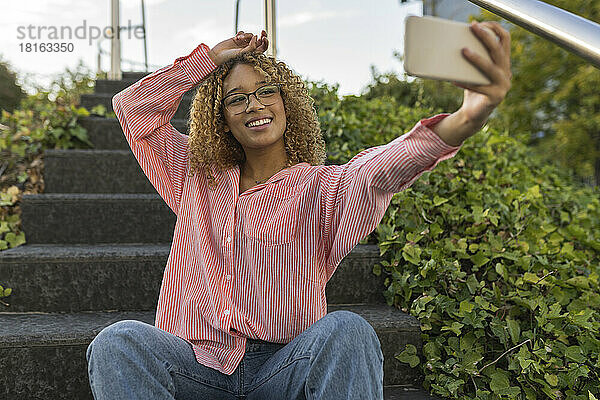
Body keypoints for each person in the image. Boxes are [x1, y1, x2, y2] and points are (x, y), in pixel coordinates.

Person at [86, 24, 512, 400]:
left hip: (284, 368)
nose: (254, 105)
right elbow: (134, 109)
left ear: (286, 103)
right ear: (221, 119)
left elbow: (381, 170)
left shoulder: (322, 189)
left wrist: (467, 118)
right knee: (117, 343)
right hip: (195, 366)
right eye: (236, 99)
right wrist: (209, 59)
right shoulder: (194, 177)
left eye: (266, 92)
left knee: (349, 331)